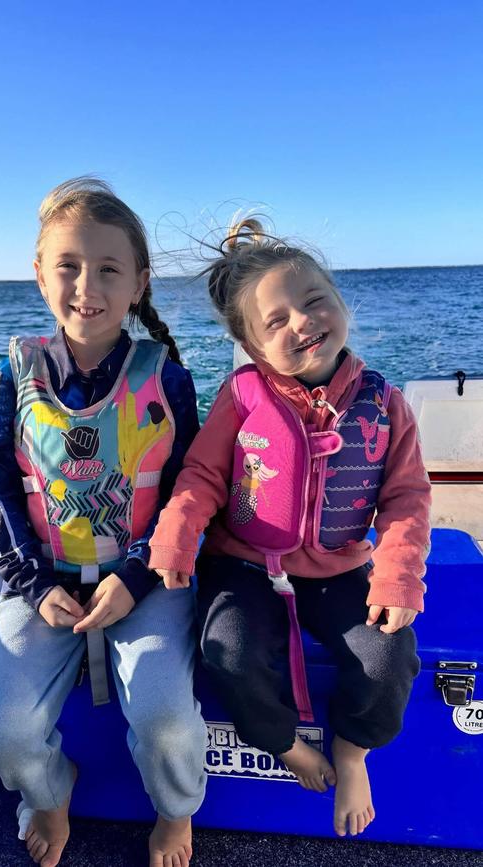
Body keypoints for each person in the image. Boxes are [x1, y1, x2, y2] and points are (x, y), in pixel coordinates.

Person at [149, 219, 431, 838]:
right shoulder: (243, 394)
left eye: (313, 302)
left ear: (339, 301)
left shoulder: (385, 404)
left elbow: (407, 499)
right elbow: (201, 474)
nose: (301, 323)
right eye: (276, 321)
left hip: (341, 570)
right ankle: (282, 743)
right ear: (252, 346)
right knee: (227, 652)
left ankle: (353, 750)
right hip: (244, 564)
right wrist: (176, 534)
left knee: (389, 659)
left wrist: (397, 579)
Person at [0, 177, 207, 867]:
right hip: (43, 581)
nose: (85, 285)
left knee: (166, 720)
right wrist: (35, 583)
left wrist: (136, 575)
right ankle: (49, 790)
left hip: (148, 580)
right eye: (68, 266)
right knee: (0, 731)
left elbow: (190, 488)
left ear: (138, 282)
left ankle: (175, 808)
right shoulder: (18, 373)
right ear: (39, 272)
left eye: (108, 268)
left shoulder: (165, 376)